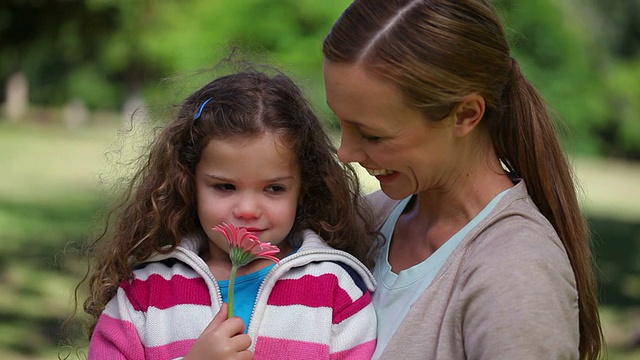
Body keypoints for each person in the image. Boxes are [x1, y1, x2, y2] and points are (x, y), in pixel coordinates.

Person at [322, 0, 603, 359]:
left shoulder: (517, 274)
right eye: (340, 122)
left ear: (466, 115)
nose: (345, 153)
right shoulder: (367, 221)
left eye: (372, 135)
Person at [83, 67, 378, 359]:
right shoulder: (145, 294)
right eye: (225, 186)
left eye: (274, 189)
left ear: (304, 188)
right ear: (188, 184)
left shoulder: (336, 292)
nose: (248, 210)